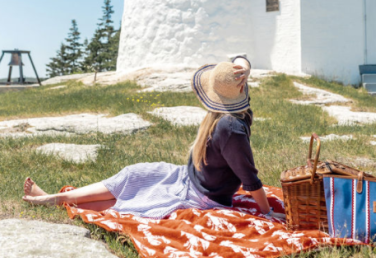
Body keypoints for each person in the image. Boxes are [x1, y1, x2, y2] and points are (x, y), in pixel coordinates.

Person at [22, 56, 276, 219]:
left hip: (203, 196)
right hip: (187, 178)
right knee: (134, 175)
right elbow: (242, 60)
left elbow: (249, 179)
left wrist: (267, 212)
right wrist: (268, 210)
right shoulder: (231, 118)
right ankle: (58, 197)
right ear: (242, 87)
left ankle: (55, 201)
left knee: (136, 203)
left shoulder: (229, 125)